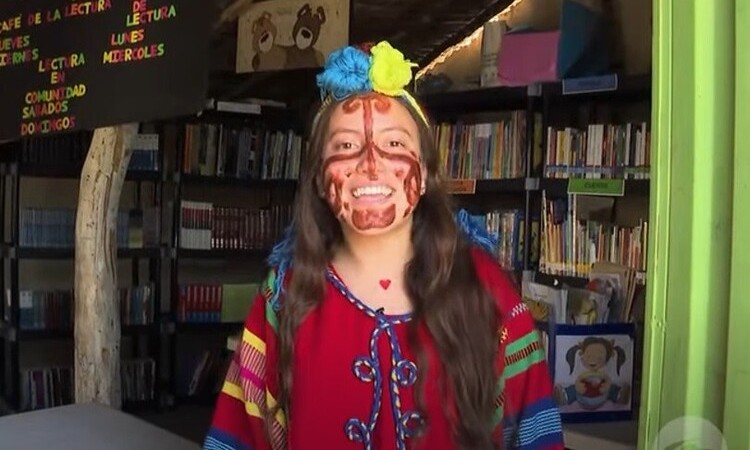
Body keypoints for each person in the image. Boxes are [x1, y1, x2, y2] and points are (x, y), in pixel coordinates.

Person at [204, 41, 564, 450]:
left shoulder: (485, 290)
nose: (370, 163)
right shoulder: (284, 294)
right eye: (345, 146)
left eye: (394, 144)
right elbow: (240, 435)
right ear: (320, 179)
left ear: (426, 173)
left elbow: (536, 435)